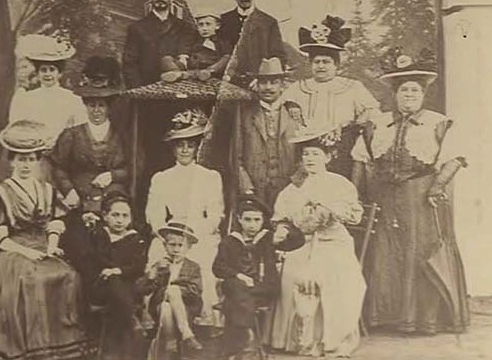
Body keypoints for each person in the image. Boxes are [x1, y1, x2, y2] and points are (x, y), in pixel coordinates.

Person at [351, 49, 469, 334]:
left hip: (421, 199)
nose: (409, 95)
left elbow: (453, 159)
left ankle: (424, 320)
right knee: (385, 255)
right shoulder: (377, 124)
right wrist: (357, 196)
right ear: (394, 93)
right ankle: (387, 317)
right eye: (404, 90)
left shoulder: (438, 122)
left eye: (415, 90)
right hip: (385, 199)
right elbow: (361, 161)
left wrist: (436, 188)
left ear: (423, 93)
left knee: (421, 253)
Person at [0, 120, 89, 360]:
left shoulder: (47, 190)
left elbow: (55, 222)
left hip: (42, 246)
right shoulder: (0, 193)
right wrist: (26, 252)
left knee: (69, 275)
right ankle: (26, 345)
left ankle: (56, 344)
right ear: (11, 161)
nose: (25, 165)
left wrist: (52, 246)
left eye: (30, 159)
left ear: (38, 161)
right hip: (11, 250)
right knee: (29, 279)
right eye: (20, 159)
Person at [269, 128, 366, 357]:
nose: (310, 159)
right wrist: (282, 229)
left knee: (335, 276)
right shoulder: (292, 188)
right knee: (293, 274)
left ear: (328, 157)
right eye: (306, 154)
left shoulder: (340, 184)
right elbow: (281, 218)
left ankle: (333, 338)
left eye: (315, 154)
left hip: (334, 242)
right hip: (301, 243)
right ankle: (299, 339)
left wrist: (328, 209)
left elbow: (353, 214)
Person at [146, 108, 225, 327]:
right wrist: (167, 235)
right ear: (173, 148)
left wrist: (193, 236)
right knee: (157, 258)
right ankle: (159, 317)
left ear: (197, 147)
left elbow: (215, 214)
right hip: (170, 233)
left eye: (190, 145)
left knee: (203, 264)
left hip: (201, 233)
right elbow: (154, 214)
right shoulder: (161, 178)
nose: (185, 150)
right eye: (180, 145)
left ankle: (203, 319)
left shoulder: (210, 177)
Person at [283, 15, 381, 179]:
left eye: (326, 62)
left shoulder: (352, 86)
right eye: (317, 62)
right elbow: (281, 107)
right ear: (311, 64)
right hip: (307, 153)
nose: (321, 66)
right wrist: (291, 105)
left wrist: (348, 125)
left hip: (342, 149)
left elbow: (373, 112)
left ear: (336, 65)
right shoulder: (298, 88)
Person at [213, 194, 305, 359]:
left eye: (257, 220)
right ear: (239, 219)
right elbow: (218, 268)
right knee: (235, 287)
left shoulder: (268, 239)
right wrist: (239, 275)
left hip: (263, 287)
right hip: (238, 287)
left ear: (263, 221)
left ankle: (241, 344)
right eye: (247, 219)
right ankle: (249, 341)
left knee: (233, 301)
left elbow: (298, 241)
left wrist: (285, 228)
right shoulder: (230, 241)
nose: (252, 224)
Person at [49, 56, 128, 215]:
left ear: (108, 107)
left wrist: (113, 175)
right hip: (80, 196)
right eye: (92, 105)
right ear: (86, 106)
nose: (96, 111)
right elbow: (59, 168)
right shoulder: (72, 134)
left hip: (113, 197)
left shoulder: (121, 135)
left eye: (101, 106)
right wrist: (69, 190)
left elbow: (133, 167)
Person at [6, 35, 87, 181]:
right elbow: (16, 129)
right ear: (37, 73)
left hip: (62, 160)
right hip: (32, 158)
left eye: (52, 69)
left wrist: (58, 145)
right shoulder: (26, 98)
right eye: (43, 70)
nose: (48, 74)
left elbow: (80, 133)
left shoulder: (72, 99)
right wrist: (35, 144)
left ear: (60, 73)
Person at [238, 57, 303, 210]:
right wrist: (247, 188)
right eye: (263, 82)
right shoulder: (245, 115)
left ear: (282, 85)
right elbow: (236, 157)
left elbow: (305, 153)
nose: (268, 87)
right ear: (256, 85)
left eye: (274, 82)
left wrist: (296, 184)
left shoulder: (295, 114)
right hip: (255, 189)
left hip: (289, 188)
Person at [89, 191, 147, 359]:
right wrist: (111, 270)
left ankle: (117, 352)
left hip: (126, 286)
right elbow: (97, 259)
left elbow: (138, 266)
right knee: (113, 280)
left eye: (124, 216)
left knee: (119, 288)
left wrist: (118, 270)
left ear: (130, 219)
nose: (120, 220)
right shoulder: (99, 235)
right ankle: (131, 319)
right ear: (105, 216)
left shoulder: (135, 239)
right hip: (102, 286)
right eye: (115, 215)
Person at [137, 222, 204, 356]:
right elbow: (141, 290)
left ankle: (170, 343)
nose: (176, 249)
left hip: (187, 306)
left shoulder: (193, 267)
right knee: (165, 306)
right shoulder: (160, 266)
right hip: (159, 306)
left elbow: (195, 291)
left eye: (180, 245)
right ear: (165, 246)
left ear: (188, 247)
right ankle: (186, 335)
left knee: (171, 297)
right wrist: (153, 273)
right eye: (172, 245)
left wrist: (176, 291)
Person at [122, 0, 196, 89]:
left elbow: (190, 55)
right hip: (147, 87)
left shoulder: (184, 27)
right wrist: (137, 90)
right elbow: (130, 63)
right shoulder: (137, 28)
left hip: (178, 87)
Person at [219, 0, 286, 87]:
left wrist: (262, 79)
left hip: (258, 83)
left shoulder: (269, 22)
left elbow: (277, 56)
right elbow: (220, 52)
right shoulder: (224, 20)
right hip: (227, 82)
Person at [161, 9, 232, 83]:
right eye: (201, 25)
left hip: (207, 69)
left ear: (217, 26)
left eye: (208, 24)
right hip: (189, 68)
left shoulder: (222, 42)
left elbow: (226, 57)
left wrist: (212, 69)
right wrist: (183, 57)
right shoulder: (193, 39)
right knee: (166, 59)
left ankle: (205, 73)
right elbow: (185, 48)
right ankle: (176, 73)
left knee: (227, 57)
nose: (204, 28)